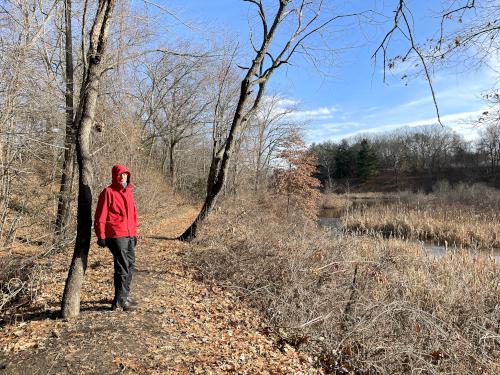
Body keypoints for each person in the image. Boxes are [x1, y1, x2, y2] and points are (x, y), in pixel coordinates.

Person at [94, 164, 138, 311]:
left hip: (129, 234)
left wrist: (134, 234)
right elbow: (100, 215)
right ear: (115, 176)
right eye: (120, 175)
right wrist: (101, 235)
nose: (123, 177)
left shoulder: (129, 192)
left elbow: (133, 215)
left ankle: (124, 295)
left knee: (130, 266)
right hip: (116, 235)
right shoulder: (108, 192)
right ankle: (119, 302)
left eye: (125, 174)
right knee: (123, 267)